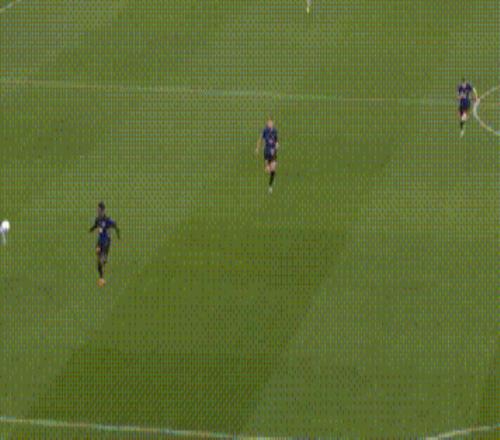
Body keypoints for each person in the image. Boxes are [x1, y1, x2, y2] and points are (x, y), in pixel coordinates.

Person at [89, 202, 120, 287]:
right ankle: (102, 272)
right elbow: (96, 225)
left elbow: (115, 225)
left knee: (100, 261)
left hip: (106, 242)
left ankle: (102, 278)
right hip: (100, 241)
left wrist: (118, 234)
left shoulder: (107, 220)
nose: (98, 211)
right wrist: (91, 229)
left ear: (103, 211)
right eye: (97, 210)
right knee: (98, 255)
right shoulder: (98, 219)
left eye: (99, 210)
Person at [256, 117, 279, 194]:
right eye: (269, 122)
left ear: (273, 123)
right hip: (266, 152)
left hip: (273, 152)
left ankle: (270, 186)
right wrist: (257, 148)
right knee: (268, 170)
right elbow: (260, 139)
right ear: (267, 123)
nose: (270, 124)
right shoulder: (265, 130)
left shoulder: (275, 131)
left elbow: (276, 139)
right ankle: (268, 168)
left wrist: (277, 144)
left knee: (273, 168)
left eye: (271, 122)